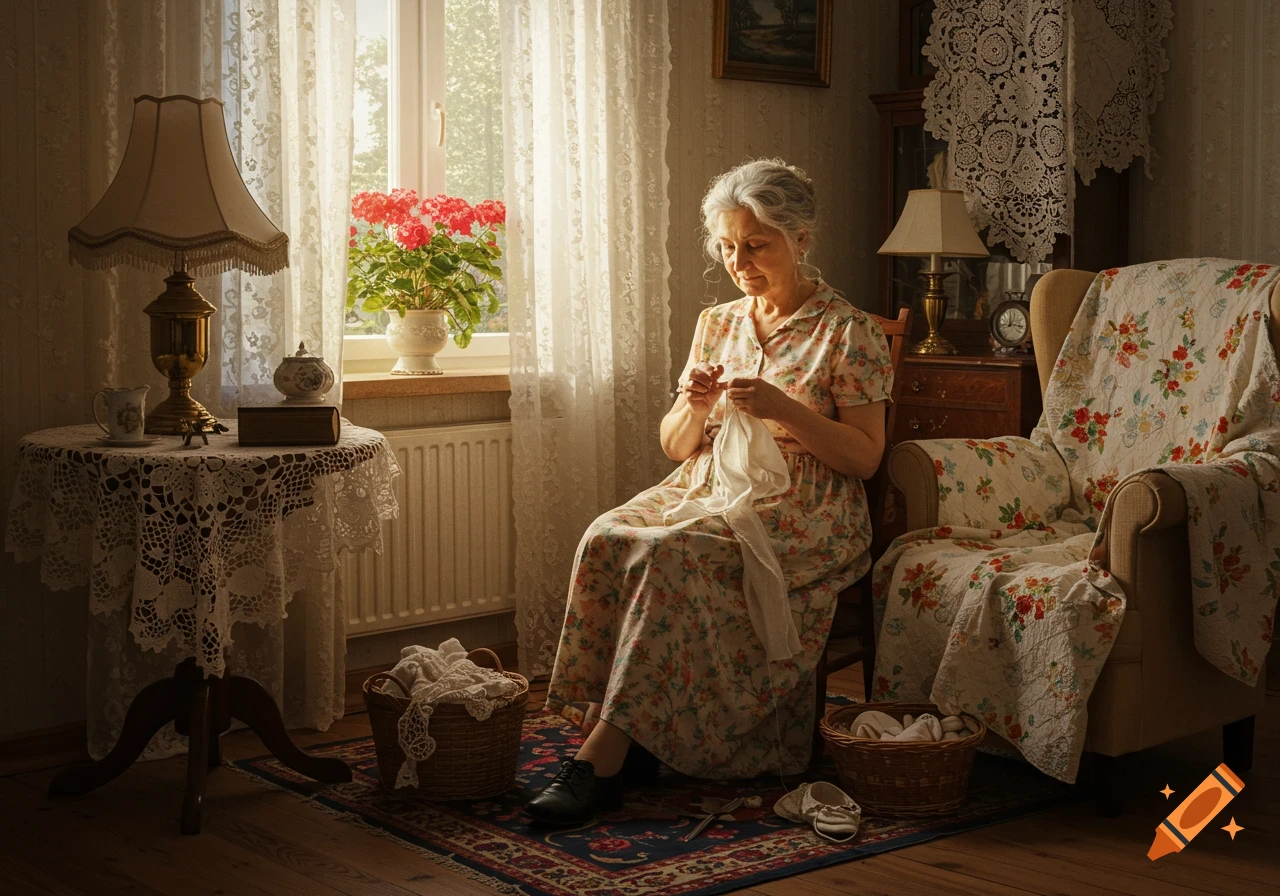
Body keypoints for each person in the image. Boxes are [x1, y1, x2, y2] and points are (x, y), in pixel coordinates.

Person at [525, 159, 894, 824]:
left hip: (807, 505)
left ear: (800, 238)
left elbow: (865, 458)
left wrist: (785, 408)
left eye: (756, 244)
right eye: (727, 246)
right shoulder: (717, 323)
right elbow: (675, 444)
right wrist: (694, 406)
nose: (739, 262)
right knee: (608, 534)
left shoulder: (849, 330)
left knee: (675, 553)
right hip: (709, 478)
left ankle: (601, 760)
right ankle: (627, 728)